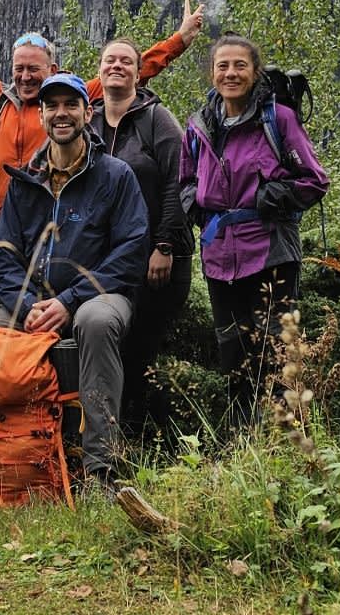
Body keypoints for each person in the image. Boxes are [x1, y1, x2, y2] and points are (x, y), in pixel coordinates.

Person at [0, 73, 149, 495]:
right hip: (30, 303)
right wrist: (27, 304)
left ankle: (100, 467)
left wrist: (69, 300)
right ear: (43, 115)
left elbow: (130, 252)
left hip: (97, 296)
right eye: (52, 106)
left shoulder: (115, 176)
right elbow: (6, 257)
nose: (61, 114)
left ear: (88, 111)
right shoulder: (23, 181)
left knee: (97, 322)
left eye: (71, 104)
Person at [0, 0, 203, 209]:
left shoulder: (73, 99)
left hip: (54, 220)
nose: (25, 77)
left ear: (53, 70)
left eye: (34, 69)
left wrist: (179, 41)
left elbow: (125, 72)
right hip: (4, 222)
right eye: (19, 68)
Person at [180, 35, 330, 425]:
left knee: (279, 353)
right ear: (212, 72)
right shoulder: (198, 125)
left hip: (271, 251)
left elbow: (315, 180)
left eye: (240, 66)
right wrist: (196, 209)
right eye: (222, 66)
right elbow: (183, 182)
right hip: (219, 257)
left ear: (255, 71)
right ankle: (240, 446)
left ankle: (286, 440)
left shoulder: (277, 119)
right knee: (234, 357)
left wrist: (273, 197)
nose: (231, 73)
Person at [87, 38, 193, 436]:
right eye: (109, 59)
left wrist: (164, 244)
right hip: (110, 261)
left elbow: (179, 183)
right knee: (113, 347)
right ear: (99, 70)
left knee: (143, 349)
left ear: (137, 70)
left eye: (125, 61)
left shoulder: (157, 120)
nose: (117, 66)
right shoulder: (89, 122)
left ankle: (148, 436)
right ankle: (116, 434)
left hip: (158, 259)